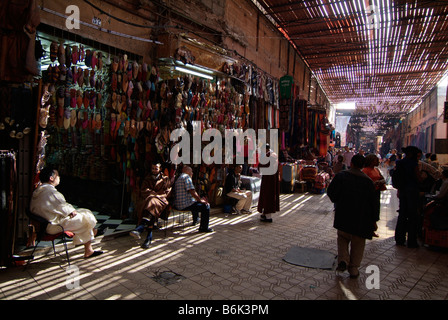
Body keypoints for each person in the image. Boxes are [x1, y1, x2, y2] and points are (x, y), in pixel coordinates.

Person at [30, 167, 103, 259]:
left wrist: (71, 211)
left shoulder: (40, 190)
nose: (59, 177)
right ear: (51, 178)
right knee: (85, 219)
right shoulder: (50, 192)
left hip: (46, 223)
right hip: (52, 225)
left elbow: (60, 206)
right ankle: (92, 238)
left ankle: (91, 238)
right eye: (58, 175)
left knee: (84, 212)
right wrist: (71, 211)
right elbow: (63, 207)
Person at [327, 154, 377, 278]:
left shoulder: (341, 176)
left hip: (344, 215)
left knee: (342, 239)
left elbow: (331, 192)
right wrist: (374, 220)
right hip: (361, 219)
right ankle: (353, 268)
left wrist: (338, 201)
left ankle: (343, 260)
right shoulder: (368, 182)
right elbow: (374, 204)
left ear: (352, 164)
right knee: (358, 244)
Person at [130, 163, 172, 249]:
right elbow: (144, 190)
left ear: (160, 169)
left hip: (161, 200)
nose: (154, 170)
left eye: (156, 168)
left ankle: (141, 227)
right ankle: (147, 239)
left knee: (151, 203)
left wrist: (156, 196)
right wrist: (152, 195)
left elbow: (168, 192)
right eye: (152, 168)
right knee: (151, 207)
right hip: (150, 200)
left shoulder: (165, 179)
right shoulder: (147, 178)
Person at [394, 146, 423, 248]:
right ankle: (411, 241)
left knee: (402, 214)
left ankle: (399, 239)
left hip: (403, 191)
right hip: (412, 191)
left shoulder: (399, 163)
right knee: (412, 216)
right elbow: (418, 178)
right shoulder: (413, 163)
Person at [173, 166, 213, 232]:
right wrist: (200, 200)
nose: (192, 173)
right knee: (206, 206)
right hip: (184, 205)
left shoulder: (179, 178)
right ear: (187, 171)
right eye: (191, 171)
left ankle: (196, 219)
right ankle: (204, 228)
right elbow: (192, 191)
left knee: (195, 202)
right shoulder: (186, 177)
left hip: (178, 204)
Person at [362, 154, 387, 237]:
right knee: (369, 210)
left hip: (376, 192)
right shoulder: (365, 171)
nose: (377, 162)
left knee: (375, 209)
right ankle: (369, 228)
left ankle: (372, 227)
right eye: (375, 160)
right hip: (368, 194)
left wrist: (379, 182)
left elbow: (382, 179)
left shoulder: (376, 170)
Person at [257, 144, 280, 223]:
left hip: (268, 180)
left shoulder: (269, 156)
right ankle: (264, 214)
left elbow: (262, 165)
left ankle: (268, 217)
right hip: (272, 179)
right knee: (268, 196)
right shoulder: (274, 155)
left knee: (267, 196)